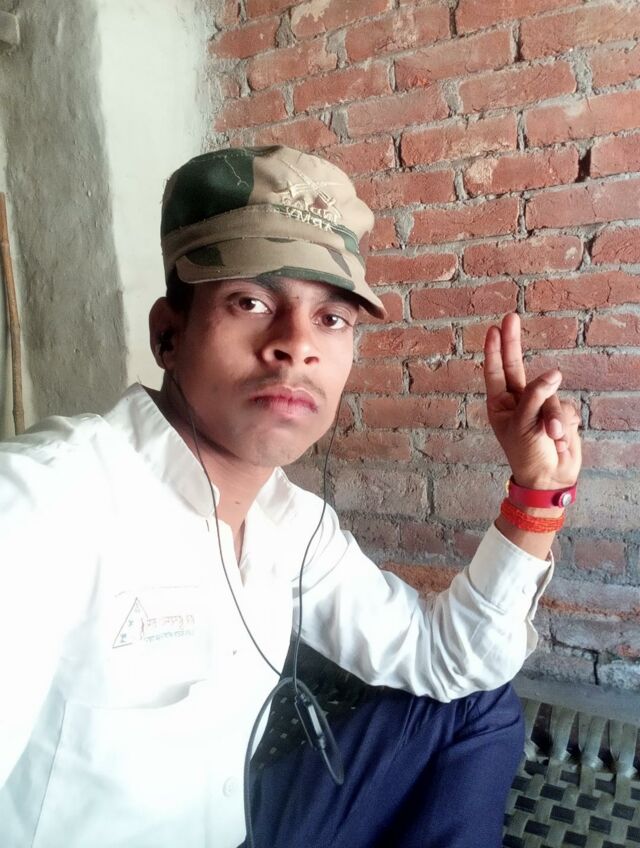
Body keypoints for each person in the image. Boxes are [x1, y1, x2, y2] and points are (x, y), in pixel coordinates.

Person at [0, 146, 581, 848]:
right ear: (167, 334)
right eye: (250, 302)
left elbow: (448, 659)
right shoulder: (41, 505)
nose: (296, 346)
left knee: (474, 705)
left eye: (331, 319)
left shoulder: (292, 523)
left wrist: (537, 494)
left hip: (238, 819)